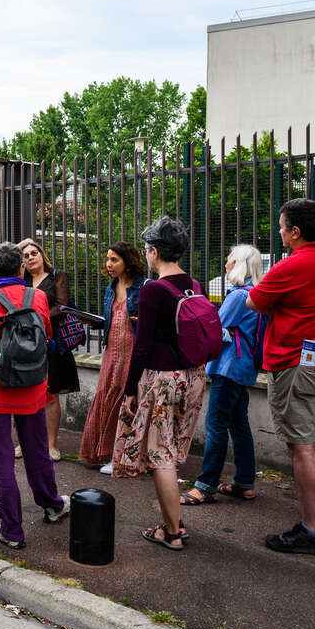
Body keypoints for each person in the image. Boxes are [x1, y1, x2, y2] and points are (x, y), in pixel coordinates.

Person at [247, 199, 315, 556]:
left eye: (281, 226)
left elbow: (253, 303)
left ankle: (311, 531)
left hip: (296, 365)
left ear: (295, 232)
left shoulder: (290, 266)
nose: (279, 232)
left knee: (301, 447)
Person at [0, 241, 70, 550]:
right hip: (32, 386)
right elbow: (46, 332)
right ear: (21, 268)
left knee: (1, 458)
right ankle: (52, 504)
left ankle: (11, 527)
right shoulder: (36, 297)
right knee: (37, 451)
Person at [114, 216, 208, 551]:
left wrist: (128, 390)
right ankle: (174, 523)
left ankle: (172, 531)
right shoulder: (195, 285)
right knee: (172, 450)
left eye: (146, 249)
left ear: (153, 251)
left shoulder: (153, 290)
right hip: (194, 377)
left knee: (161, 455)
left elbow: (141, 347)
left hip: (164, 380)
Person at [181, 245, 264, 506]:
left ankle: (205, 486)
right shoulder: (254, 294)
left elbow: (214, 326)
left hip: (228, 368)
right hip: (243, 367)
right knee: (239, 426)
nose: (225, 265)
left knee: (216, 425)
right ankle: (244, 483)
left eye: (229, 261)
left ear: (238, 264)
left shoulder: (238, 297)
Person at [80, 242, 147, 474]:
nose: (108, 264)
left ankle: (125, 458)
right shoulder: (111, 287)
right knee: (107, 397)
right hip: (112, 353)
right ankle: (107, 453)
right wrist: (91, 321)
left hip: (132, 353)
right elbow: (113, 321)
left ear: (128, 261)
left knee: (128, 402)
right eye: (107, 259)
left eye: (114, 260)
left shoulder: (144, 288)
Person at [17, 238, 80, 461]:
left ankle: (51, 444)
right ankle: (25, 443)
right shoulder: (20, 281)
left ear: (42, 255)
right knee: (26, 394)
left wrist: (35, 318)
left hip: (52, 343)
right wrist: (20, 246)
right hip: (26, 343)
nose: (30, 257)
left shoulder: (57, 277)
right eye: (25, 256)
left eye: (34, 253)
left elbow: (61, 306)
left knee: (50, 395)